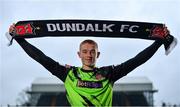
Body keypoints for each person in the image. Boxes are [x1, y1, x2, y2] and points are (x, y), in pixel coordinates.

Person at [8, 24, 169, 106]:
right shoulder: (68, 73)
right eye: (85, 51)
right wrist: (19, 38)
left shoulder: (109, 73)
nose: (89, 55)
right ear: (79, 54)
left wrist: (159, 41)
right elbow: (41, 58)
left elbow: (137, 60)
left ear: (98, 54)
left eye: (92, 51)